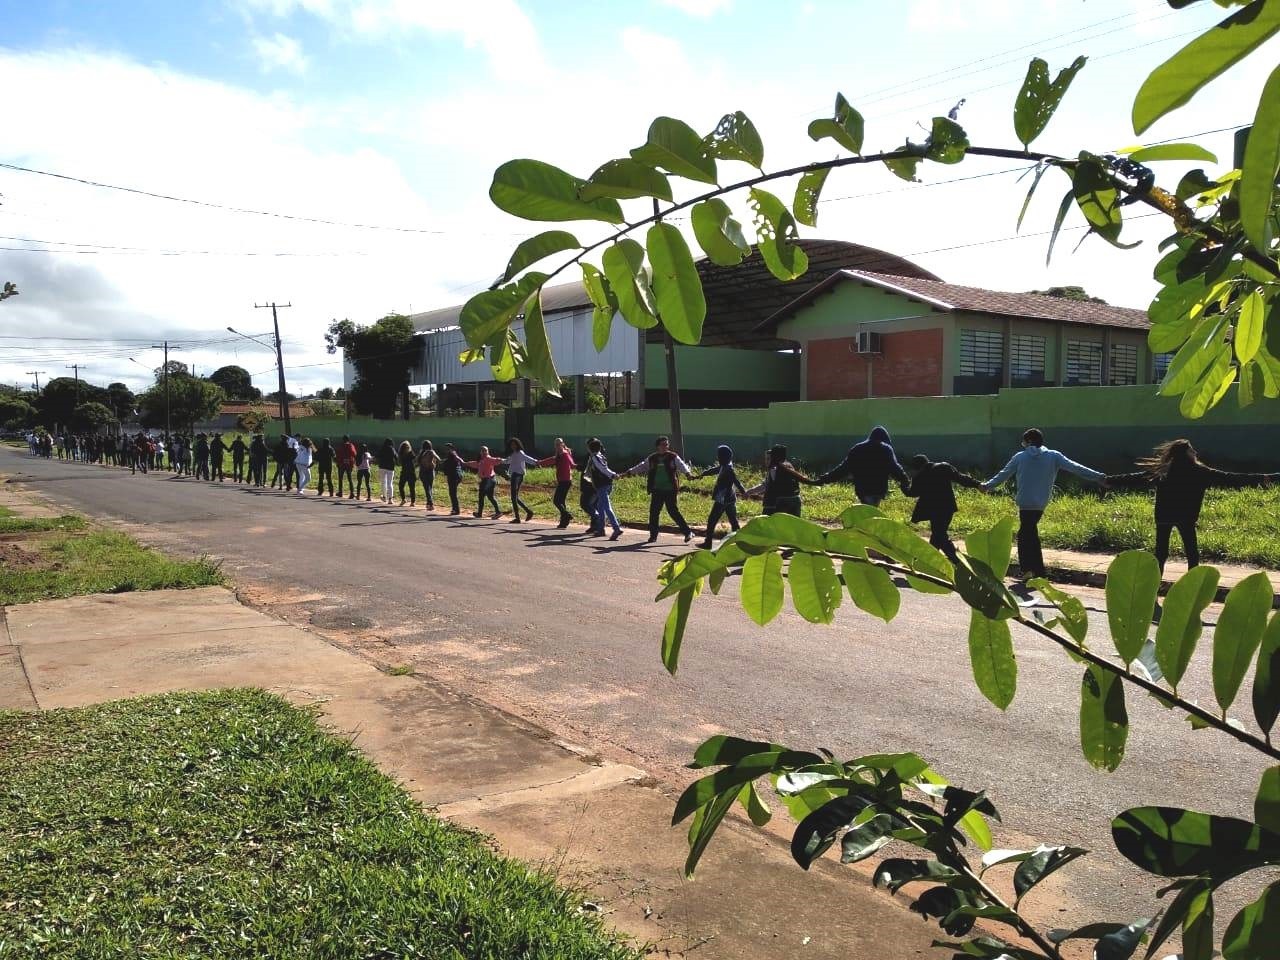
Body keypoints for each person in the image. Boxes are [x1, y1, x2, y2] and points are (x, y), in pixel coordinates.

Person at [1107, 439, 1276, 572]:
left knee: (1161, 554)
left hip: (1164, 516)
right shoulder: (1199, 471)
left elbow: (1133, 478)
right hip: (1185, 517)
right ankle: (1191, 587)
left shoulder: (1163, 471)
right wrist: (1262, 478)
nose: (1195, 452)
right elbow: (1231, 478)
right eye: (1191, 449)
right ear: (1186, 453)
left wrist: (1108, 481)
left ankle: (1154, 586)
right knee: (1192, 553)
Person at [981, 427, 1106, 581]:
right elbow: (1076, 468)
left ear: (1027, 442)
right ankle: (1038, 571)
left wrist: (987, 486)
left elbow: (1003, 474)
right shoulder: (1054, 456)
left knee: (1025, 535)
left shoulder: (1019, 457)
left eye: (1024, 442)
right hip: (1041, 502)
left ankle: (1028, 570)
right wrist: (1099, 477)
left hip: (1025, 503)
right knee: (1030, 533)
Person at [904, 454, 982, 561]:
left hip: (933, 511)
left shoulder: (920, 476)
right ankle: (928, 560)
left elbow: (912, 493)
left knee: (939, 535)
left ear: (917, 468)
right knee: (938, 534)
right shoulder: (943, 467)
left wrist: (903, 485)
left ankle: (956, 561)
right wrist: (977, 484)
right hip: (948, 508)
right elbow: (961, 478)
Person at [816, 425, 909, 507]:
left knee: (867, 511)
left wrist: (826, 478)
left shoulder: (857, 449)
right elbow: (894, 468)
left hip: (862, 489)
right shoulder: (885, 449)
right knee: (871, 512)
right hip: (878, 489)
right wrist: (904, 479)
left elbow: (843, 469)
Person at [623, 436, 694, 543]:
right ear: (657, 446)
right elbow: (641, 466)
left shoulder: (673, 456)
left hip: (670, 489)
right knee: (654, 513)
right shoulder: (652, 458)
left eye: (667, 444)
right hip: (657, 489)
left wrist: (688, 473)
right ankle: (653, 536)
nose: (665, 447)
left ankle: (688, 532)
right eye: (663, 444)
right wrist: (628, 473)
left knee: (673, 512)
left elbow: (682, 465)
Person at [698, 444, 748, 549]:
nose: (718, 457)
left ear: (724, 456)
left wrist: (744, 492)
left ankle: (708, 543)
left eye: (719, 455)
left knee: (712, 520)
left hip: (723, 498)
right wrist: (703, 474)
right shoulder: (725, 465)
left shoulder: (728, 468)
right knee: (733, 521)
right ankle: (740, 543)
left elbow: (736, 481)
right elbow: (715, 470)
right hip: (730, 498)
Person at [746, 444, 816, 516]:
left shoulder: (774, 469)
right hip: (795, 499)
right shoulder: (788, 465)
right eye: (766, 459)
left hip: (782, 502)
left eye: (769, 459)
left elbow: (767, 487)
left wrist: (749, 492)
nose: (767, 461)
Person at [585, 437, 623, 540]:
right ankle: (601, 529)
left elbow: (603, 469)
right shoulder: (600, 455)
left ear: (590, 448)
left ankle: (616, 528)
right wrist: (613, 475)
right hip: (605, 484)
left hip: (602, 485)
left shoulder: (595, 457)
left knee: (606, 507)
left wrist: (613, 475)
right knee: (600, 506)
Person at [537, 437, 577, 528]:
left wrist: (581, 467)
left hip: (566, 481)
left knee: (556, 501)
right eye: (556, 444)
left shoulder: (565, 454)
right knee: (561, 501)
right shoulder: (559, 455)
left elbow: (572, 465)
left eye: (559, 444)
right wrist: (540, 462)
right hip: (562, 481)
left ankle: (567, 515)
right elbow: (552, 460)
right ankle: (564, 522)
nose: (557, 446)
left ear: (562, 444)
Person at [503, 438, 539, 523]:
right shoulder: (514, 454)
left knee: (513, 497)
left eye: (514, 444)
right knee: (515, 497)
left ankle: (518, 518)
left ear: (518, 444)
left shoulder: (520, 453)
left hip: (517, 476)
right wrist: (499, 461)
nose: (513, 446)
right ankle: (528, 512)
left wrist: (537, 462)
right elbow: (507, 461)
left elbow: (528, 459)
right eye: (511, 445)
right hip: (515, 475)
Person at [464, 445, 503, 518]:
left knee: (481, 496)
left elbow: (495, 460)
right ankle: (498, 512)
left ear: (487, 452)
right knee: (490, 497)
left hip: (488, 480)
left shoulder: (488, 458)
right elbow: (475, 464)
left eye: (486, 450)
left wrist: (501, 459)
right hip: (490, 480)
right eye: (483, 450)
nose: (484, 452)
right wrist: (466, 463)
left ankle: (480, 513)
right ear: (480, 452)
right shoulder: (481, 460)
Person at [440, 443, 466, 515]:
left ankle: (456, 510)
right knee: (452, 493)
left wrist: (462, 462)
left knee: (452, 493)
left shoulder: (452, 453)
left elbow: (457, 458)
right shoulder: (450, 454)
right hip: (455, 475)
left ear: (450, 448)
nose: (445, 450)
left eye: (447, 448)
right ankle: (455, 509)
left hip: (454, 475)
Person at [417, 440, 440, 510]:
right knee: (430, 488)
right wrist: (433, 462)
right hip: (430, 471)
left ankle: (430, 503)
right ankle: (429, 503)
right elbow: (438, 459)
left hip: (423, 472)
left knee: (427, 488)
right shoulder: (431, 451)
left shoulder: (421, 452)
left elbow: (417, 461)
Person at [376, 438, 397, 504]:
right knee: (390, 483)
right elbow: (396, 456)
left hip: (382, 467)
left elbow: (377, 455)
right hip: (390, 468)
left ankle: (384, 497)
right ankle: (390, 499)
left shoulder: (382, 448)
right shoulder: (392, 449)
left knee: (383, 482)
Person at [397, 440, 417, 506]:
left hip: (411, 472)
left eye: (407, 447)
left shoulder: (411, 453)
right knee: (400, 486)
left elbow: (415, 460)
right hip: (404, 472)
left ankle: (413, 502)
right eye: (405, 447)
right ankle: (403, 499)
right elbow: (399, 462)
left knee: (412, 488)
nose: (407, 448)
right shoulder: (401, 454)